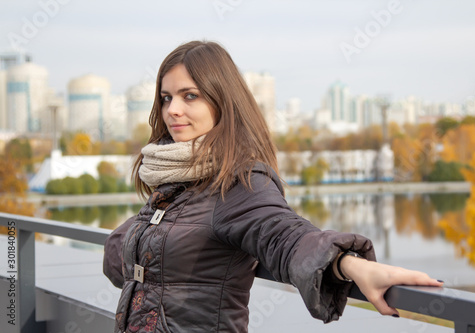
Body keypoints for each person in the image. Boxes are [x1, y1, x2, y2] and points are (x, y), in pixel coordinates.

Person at [103, 40, 443, 333]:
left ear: (222, 102)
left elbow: (284, 235)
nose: (173, 110)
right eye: (165, 98)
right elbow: (120, 257)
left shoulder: (237, 184)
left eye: (189, 96)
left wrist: (349, 264)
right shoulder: (174, 183)